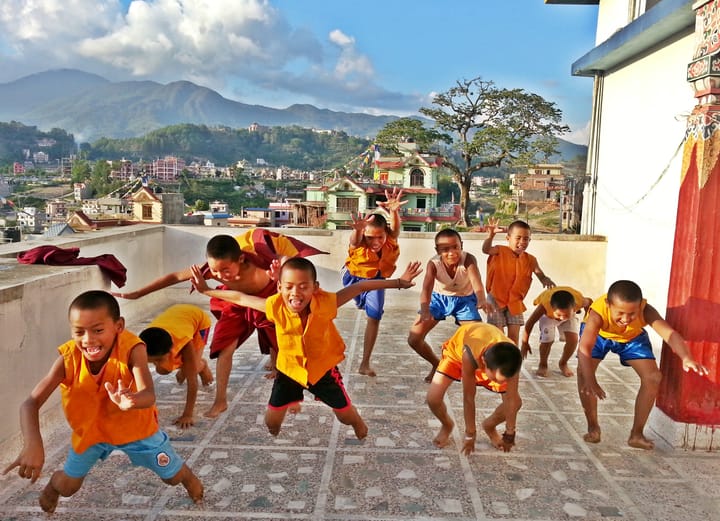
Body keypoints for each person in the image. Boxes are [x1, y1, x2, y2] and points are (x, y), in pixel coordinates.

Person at [2, 291, 203, 513]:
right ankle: (53, 487)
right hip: (91, 432)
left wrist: (132, 400)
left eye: (98, 330)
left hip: (136, 429)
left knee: (172, 476)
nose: (88, 340)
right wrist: (32, 443)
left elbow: (148, 394)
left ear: (118, 326)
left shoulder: (133, 350)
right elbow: (30, 403)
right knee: (68, 487)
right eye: (79, 332)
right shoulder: (68, 359)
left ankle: (188, 478)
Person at [190, 257, 423, 438]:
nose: (296, 293)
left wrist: (398, 283)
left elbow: (361, 287)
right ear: (279, 287)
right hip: (289, 371)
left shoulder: (327, 302)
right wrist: (206, 289)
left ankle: (359, 423)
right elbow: (240, 298)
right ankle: (292, 400)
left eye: (303, 286)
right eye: (289, 286)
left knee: (344, 416)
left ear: (315, 287)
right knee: (271, 422)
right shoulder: (275, 305)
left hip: (322, 371)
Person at [115, 228, 326, 418]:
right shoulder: (212, 269)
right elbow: (175, 276)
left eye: (226, 270)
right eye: (215, 271)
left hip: (267, 300)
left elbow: (291, 264)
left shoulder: (261, 260)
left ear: (241, 259)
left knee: (285, 347)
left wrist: (283, 270)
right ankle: (220, 400)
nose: (219, 275)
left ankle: (291, 392)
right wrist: (137, 293)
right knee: (225, 348)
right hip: (235, 302)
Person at [577, 280, 708, 450]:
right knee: (583, 372)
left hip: (632, 338)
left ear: (639, 306)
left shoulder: (647, 311)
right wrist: (590, 380)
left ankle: (636, 434)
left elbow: (669, 333)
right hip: (600, 337)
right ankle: (593, 427)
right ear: (608, 305)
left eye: (632, 313)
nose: (625, 319)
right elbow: (585, 348)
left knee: (653, 377)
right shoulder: (597, 313)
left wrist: (686, 357)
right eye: (621, 313)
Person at [408, 228, 491, 382]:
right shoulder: (433, 264)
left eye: (455, 247)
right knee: (414, 338)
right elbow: (426, 288)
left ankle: (474, 371)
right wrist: (425, 309)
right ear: (437, 250)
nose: (452, 252)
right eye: (445, 249)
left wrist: (481, 299)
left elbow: (476, 281)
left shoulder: (468, 260)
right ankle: (437, 364)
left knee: (477, 338)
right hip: (440, 300)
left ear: (461, 246)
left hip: (465, 300)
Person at [426, 322, 522, 455]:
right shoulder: (470, 356)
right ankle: (447, 425)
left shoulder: (512, 359)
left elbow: (511, 400)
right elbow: (469, 398)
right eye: (495, 379)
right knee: (433, 398)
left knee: (516, 403)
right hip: (457, 354)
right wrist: (470, 433)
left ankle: (489, 426)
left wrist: (510, 433)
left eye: (504, 380)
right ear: (483, 362)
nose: (499, 383)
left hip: (491, 360)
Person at [342, 187, 407, 377]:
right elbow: (354, 240)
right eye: (370, 237)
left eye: (380, 236)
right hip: (353, 278)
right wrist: (358, 230)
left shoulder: (390, 239)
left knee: (375, 316)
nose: (376, 241)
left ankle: (365, 362)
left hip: (377, 279)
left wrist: (394, 211)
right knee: (342, 305)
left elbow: (394, 229)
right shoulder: (359, 241)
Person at [482, 218, 555, 345]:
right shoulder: (499, 251)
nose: (522, 242)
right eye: (518, 238)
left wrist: (545, 279)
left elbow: (539, 273)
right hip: (496, 299)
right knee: (498, 336)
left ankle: (512, 362)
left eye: (526, 239)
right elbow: (486, 249)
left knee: (514, 337)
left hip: (515, 302)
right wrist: (490, 236)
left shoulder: (530, 259)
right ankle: (498, 360)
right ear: (508, 238)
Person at [140, 303, 214, 428]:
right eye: (152, 361)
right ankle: (186, 366)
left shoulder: (185, 343)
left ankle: (202, 365)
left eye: (158, 359)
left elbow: (192, 382)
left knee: (193, 367)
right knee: (163, 370)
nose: (156, 364)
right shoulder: (139, 346)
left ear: (171, 351)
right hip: (175, 317)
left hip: (199, 322)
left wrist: (188, 414)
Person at [520, 286, 592, 378]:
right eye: (559, 315)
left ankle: (563, 363)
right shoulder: (544, 306)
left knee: (573, 340)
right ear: (552, 307)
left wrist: (587, 319)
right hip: (548, 317)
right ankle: (543, 364)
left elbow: (590, 304)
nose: (561, 318)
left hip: (570, 314)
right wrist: (524, 343)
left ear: (574, 307)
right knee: (547, 341)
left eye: (565, 315)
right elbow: (529, 323)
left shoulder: (580, 301)